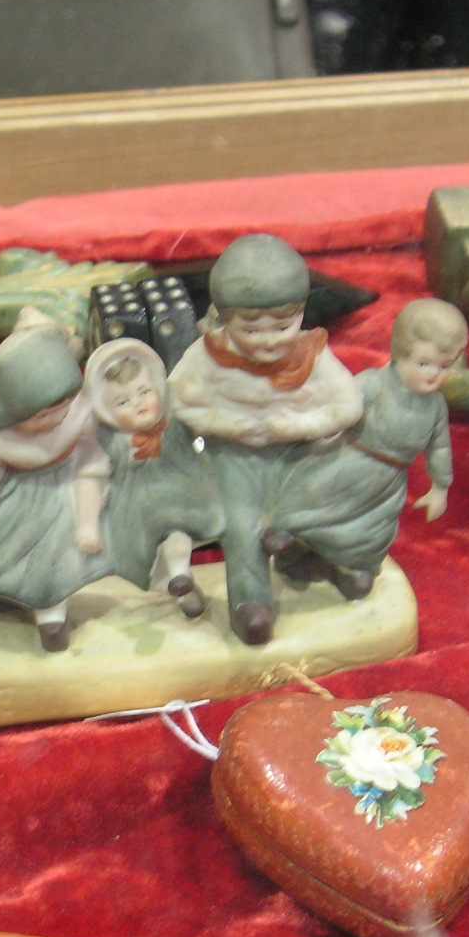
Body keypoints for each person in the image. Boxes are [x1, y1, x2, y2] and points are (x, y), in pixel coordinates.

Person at [169, 234, 362, 643]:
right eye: (251, 329)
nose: (269, 340)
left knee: (322, 507)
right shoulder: (207, 357)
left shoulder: (312, 356)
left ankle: (322, 562)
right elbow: (176, 403)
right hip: (233, 457)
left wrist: (295, 427)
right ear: (224, 317)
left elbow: (348, 406)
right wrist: (225, 424)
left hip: (299, 453)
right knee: (241, 525)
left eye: (282, 326)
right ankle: (250, 602)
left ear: (302, 313)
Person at [273, 298, 464, 599]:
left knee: (367, 534)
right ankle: (292, 548)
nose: (433, 374)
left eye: (444, 366)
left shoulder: (436, 406)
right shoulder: (374, 384)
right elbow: (337, 406)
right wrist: (315, 429)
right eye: (424, 363)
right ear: (400, 354)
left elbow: (439, 447)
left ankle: (347, 569)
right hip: (345, 462)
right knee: (312, 504)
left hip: (385, 488)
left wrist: (440, 487)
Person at [0, 326, 108, 651]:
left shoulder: (82, 409)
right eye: (40, 416)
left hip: (61, 490)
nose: (54, 420)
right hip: (6, 495)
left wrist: (89, 513)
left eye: (63, 407)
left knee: (55, 554)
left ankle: (51, 615)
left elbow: (93, 459)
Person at [82, 337, 222, 616]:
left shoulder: (174, 420)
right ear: (105, 411)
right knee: (162, 540)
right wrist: (89, 521)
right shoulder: (111, 442)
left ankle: (180, 577)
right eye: (123, 401)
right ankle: (180, 584)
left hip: (185, 486)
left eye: (144, 391)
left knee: (178, 524)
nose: (139, 404)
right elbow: (91, 476)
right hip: (139, 504)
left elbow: (205, 428)